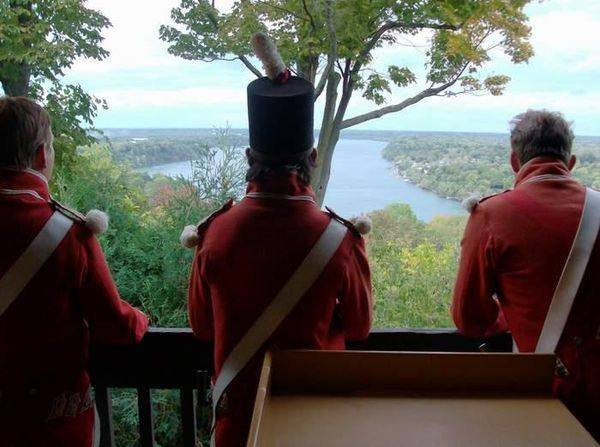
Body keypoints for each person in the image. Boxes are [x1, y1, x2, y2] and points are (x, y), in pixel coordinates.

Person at [182, 33, 372, 447]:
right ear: (313, 159)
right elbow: (359, 325)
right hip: (315, 424)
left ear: (250, 160)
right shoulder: (340, 239)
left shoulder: (214, 233)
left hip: (238, 428)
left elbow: (201, 327)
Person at [0, 96, 149, 447]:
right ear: (40, 156)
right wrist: (141, 319)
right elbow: (114, 323)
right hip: (52, 427)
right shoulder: (65, 233)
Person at [452, 109, 599, 440]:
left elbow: (469, 318)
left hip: (545, 391)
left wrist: (506, 319)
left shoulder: (492, 215)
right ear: (571, 161)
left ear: (514, 162)